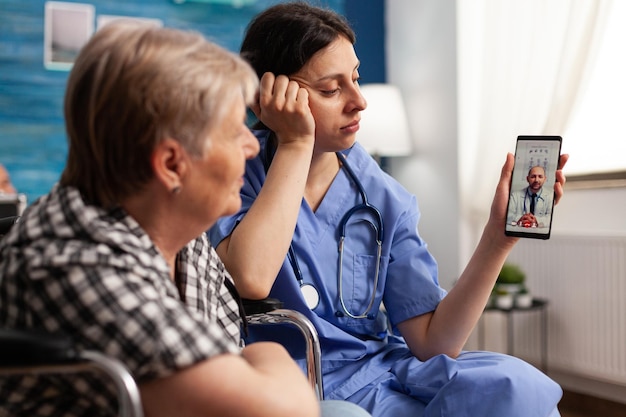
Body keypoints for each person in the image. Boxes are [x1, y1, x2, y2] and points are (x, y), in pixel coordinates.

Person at [209, 3, 569, 417]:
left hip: (380, 375)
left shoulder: (382, 195)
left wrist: (496, 239)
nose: (359, 101)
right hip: (289, 381)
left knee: (514, 387)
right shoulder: (234, 173)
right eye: (331, 89)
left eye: (356, 79)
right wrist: (294, 143)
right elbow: (250, 277)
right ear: (271, 96)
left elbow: (433, 343)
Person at [0, 21, 371, 417]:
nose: (251, 145)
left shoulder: (183, 241)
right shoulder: (75, 264)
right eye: (233, 132)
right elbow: (282, 410)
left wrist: (255, 366)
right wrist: (268, 354)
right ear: (172, 164)